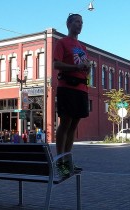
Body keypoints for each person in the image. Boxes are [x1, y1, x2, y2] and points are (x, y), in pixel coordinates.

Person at [53, 13, 91, 176]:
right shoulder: (62, 42)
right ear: (68, 24)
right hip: (67, 87)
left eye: (81, 22)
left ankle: (68, 161)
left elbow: (84, 66)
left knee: (74, 125)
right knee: (65, 123)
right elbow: (56, 64)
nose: (80, 24)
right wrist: (75, 68)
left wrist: (86, 68)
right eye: (76, 21)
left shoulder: (82, 47)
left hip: (81, 89)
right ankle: (59, 161)